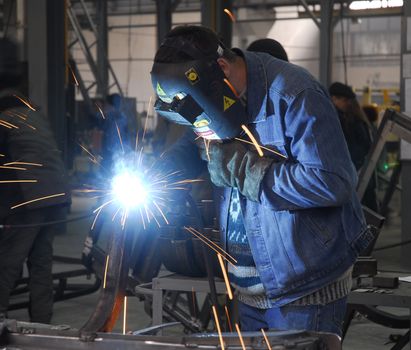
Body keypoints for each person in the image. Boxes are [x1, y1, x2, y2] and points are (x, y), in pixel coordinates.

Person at [150, 26, 371, 336]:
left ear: (222, 70)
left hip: (303, 289)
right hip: (248, 289)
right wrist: (158, 171)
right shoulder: (211, 97)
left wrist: (247, 172)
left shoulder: (295, 95)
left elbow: (332, 181)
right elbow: (191, 145)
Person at [0, 38, 71, 323]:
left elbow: (9, 172)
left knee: (8, 261)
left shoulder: (4, 117)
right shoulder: (31, 112)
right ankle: (43, 322)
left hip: (30, 200)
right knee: (41, 263)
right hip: (55, 197)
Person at [329, 82, 378, 211]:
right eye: (345, 100)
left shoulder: (345, 120)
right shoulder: (354, 119)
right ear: (334, 98)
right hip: (358, 173)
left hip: (353, 173)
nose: (347, 103)